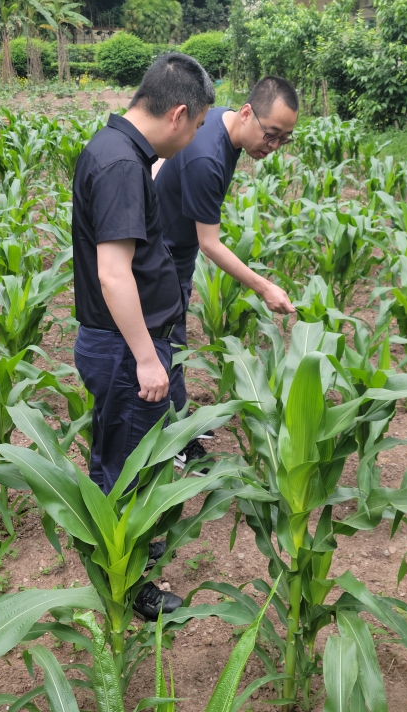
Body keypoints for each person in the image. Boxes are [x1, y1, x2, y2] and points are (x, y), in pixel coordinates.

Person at [72, 52, 216, 619]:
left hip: (121, 345)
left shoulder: (119, 151)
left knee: (121, 455)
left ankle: (126, 553)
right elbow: (113, 272)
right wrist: (146, 359)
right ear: (179, 113)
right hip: (124, 349)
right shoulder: (120, 166)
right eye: (199, 125)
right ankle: (130, 587)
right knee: (125, 471)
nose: (197, 137)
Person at [154, 76, 299, 470]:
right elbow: (211, 244)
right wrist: (265, 286)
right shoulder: (208, 158)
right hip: (162, 253)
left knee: (175, 338)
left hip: (174, 244)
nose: (274, 148)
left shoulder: (222, 122)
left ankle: (181, 418)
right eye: (271, 135)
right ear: (248, 113)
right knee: (164, 343)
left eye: (284, 139)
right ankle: (172, 439)